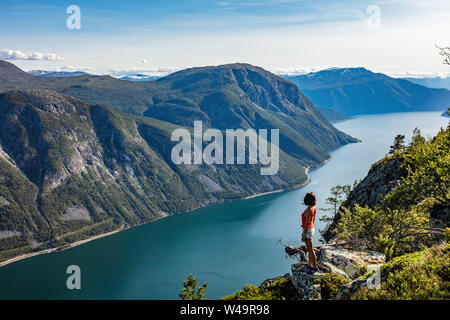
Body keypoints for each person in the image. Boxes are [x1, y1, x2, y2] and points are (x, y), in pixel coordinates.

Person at [301, 192, 318, 273]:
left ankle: (315, 267)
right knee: (310, 249)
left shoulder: (308, 210)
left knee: (311, 250)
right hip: (311, 229)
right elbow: (313, 220)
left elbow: (307, 222)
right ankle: (309, 265)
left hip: (307, 230)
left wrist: (304, 234)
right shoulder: (314, 207)